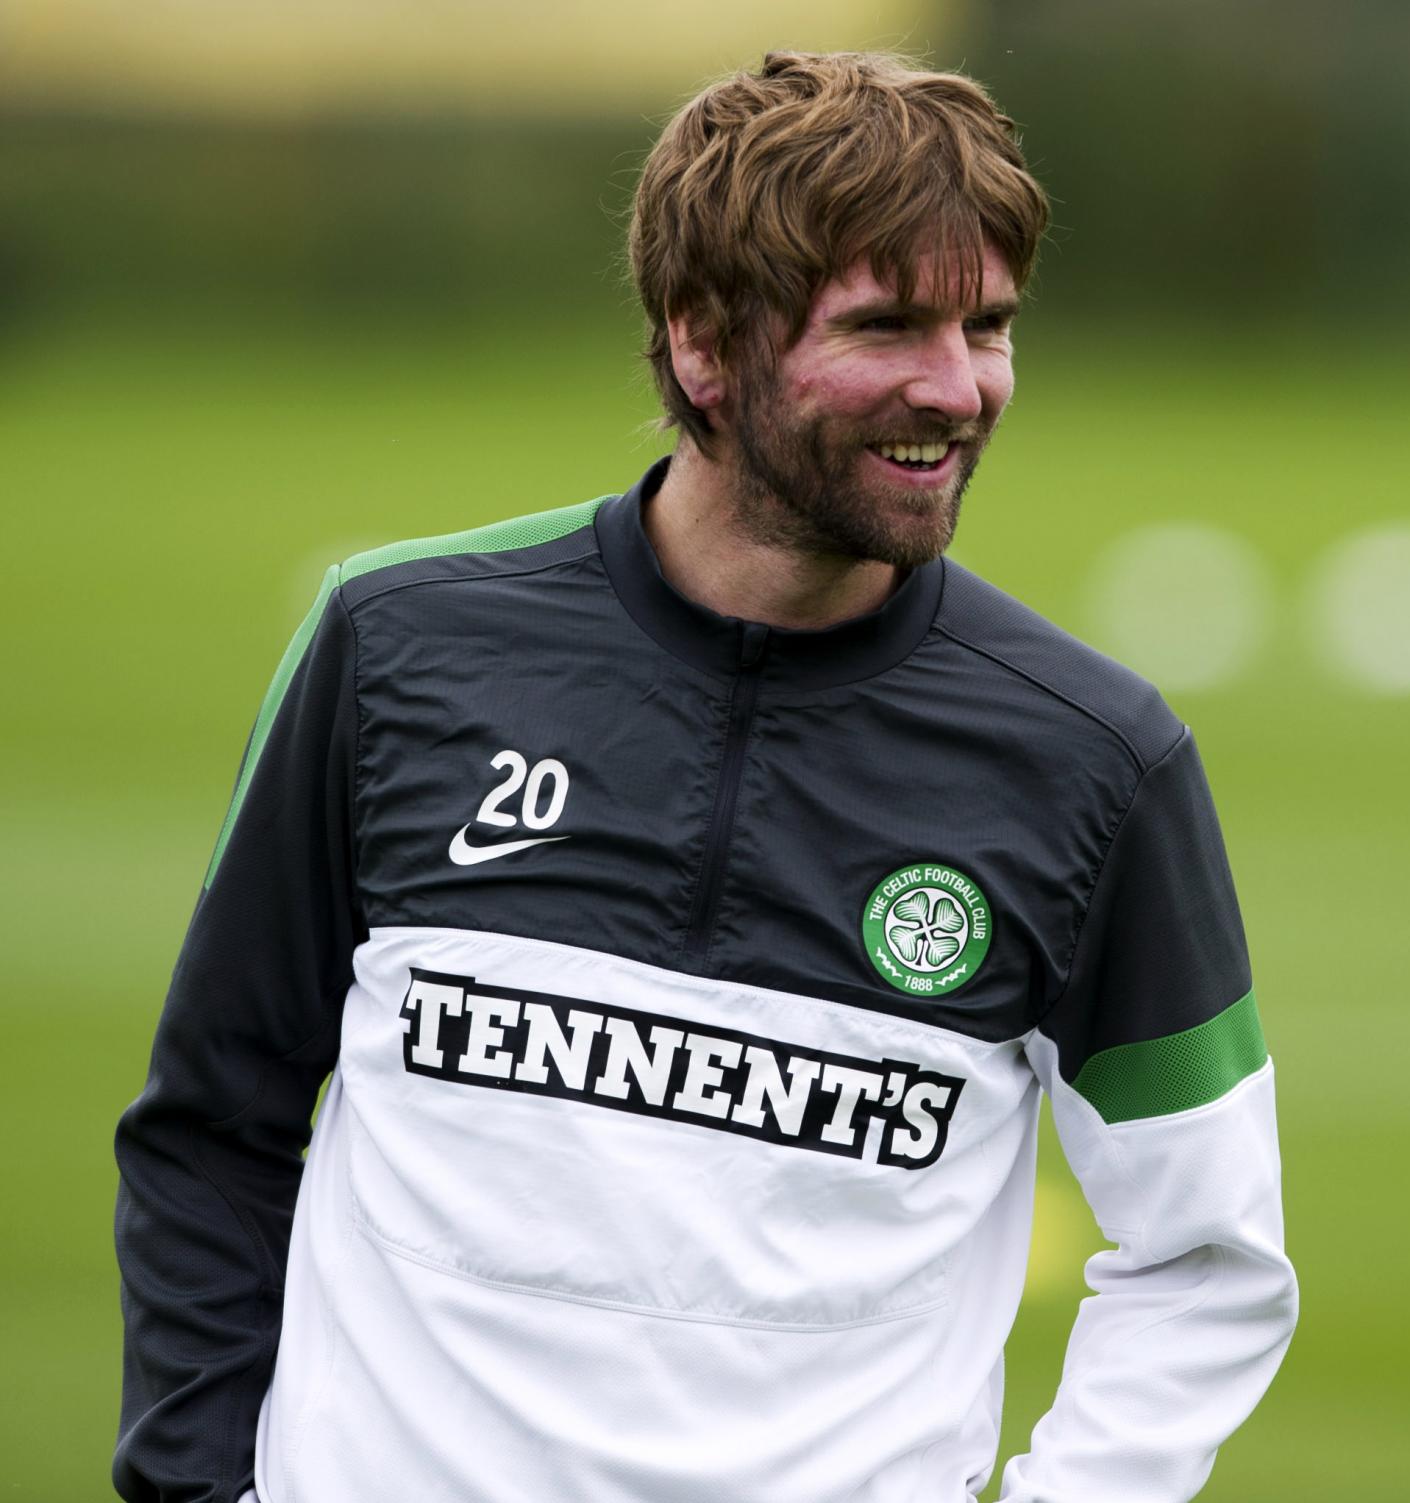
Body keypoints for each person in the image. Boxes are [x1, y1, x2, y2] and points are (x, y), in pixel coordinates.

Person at [112, 51, 1296, 1503]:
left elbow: (1207, 1257)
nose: (958, 385)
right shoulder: (397, 642)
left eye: (988, 325)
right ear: (701, 346)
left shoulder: (1098, 761)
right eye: (887, 326)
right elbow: (214, 1126)